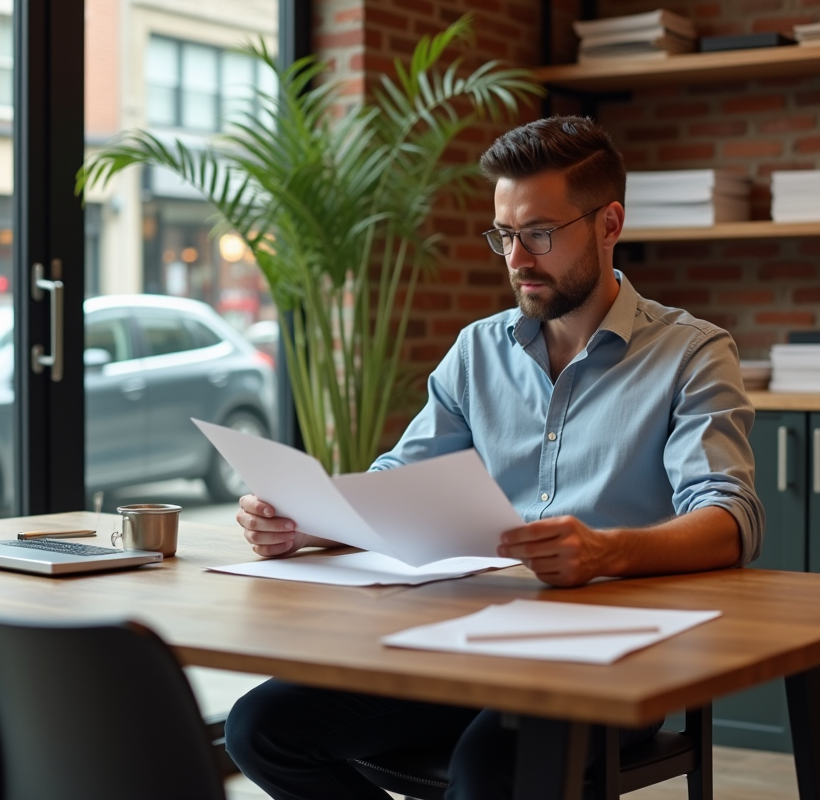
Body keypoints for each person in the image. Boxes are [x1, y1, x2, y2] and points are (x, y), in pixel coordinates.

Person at [224, 116, 765, 799]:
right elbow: (401, 480)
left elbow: (731, 519)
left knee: (489, 768)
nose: (516, 259)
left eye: (538, 233)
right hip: (467, 636)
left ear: (609, 223)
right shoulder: (478, 351)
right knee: (260, 726)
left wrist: (605, 552)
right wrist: (311, 519)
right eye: (504, 235)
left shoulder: (692, 353)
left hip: (610, 654)